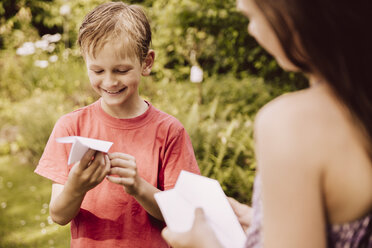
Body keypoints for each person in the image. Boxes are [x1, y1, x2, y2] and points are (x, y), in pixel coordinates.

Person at [162, 0, 372, 247]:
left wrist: (206, 244)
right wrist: (265, 222)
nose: (251, 30)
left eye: (251, 16)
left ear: (293, 15)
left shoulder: (292, 125)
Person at [34, 2, 200, 247]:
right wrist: (77, 187)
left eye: (121, 70)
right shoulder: (70, 127)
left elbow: (183, 215)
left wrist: (139, 187)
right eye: (98, 70)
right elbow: (58, 215)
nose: (109, 82)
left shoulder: (169, 131)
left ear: (147, 62)